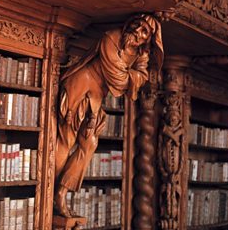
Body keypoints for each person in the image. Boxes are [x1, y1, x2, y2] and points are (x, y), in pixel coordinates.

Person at [54, 14, 163, 217]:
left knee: (90, 143)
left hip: (98, 95)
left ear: (149, 38)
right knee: (66, 139)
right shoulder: (110, 37)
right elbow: (120, 79)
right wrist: (133, 76)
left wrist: (134, 75)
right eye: (137, 26)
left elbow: (142, 76)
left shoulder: (141, 54)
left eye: (145, 31)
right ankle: (51, 194)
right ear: (129, 23)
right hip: (83, 82)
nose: (138, 32)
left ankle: (61, 190)